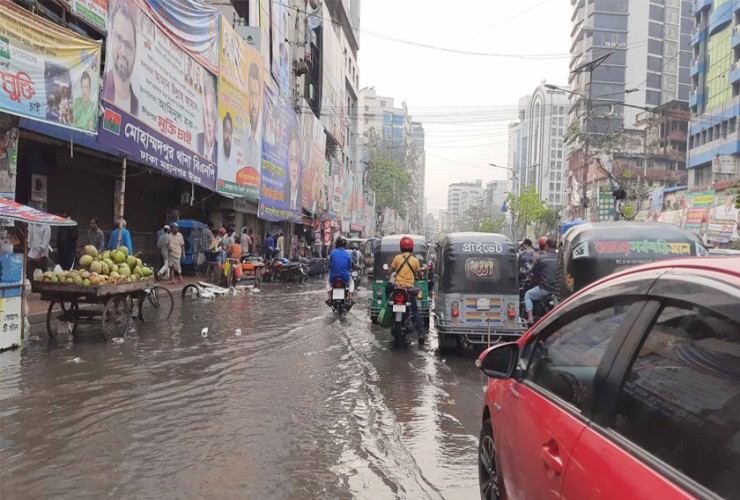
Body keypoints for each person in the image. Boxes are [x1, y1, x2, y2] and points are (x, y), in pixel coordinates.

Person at [385, 236, 425, 343]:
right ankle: (421, 334)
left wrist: (388, 274)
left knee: (389, 299)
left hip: (398, 288)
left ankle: (390, 320)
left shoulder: (397, 258)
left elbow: (391, 270)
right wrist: (420, 276)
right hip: (409, 290)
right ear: (411, 248)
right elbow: (420, 274)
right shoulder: (415, 260)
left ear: (401, 247)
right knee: (415, 311)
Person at [103, 1, 139, 115]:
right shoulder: (101, 87)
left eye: (128, 45)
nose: (123, 52)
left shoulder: (137, 104)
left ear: (135, 52)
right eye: (118, 38)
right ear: (111, 37)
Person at [524, 238, 558, 325]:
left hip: (545, 289)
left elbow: (534, 271)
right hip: (558, 290)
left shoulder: (542, 258)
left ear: (546, 246)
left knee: (528, 294)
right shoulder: (560, 258)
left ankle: (530, 317)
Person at [326, 236, 354, 305]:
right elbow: (349, 267)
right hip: (345, 277)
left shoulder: (332, 253)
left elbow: (331, 264)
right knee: (352, 283)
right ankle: (350, 298)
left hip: (333, 277)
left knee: (327, 282)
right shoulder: (348, 254)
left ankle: (329, 297)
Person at [198, 78, 217, 162]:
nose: (208, 123)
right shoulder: (195, 140)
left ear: (216, 124)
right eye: (206, 114)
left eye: (212, 116)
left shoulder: (220, 152)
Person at [287, 131, 301, 210]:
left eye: (296, 160)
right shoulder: (281, 192)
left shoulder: (303, 196)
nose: (294, 169)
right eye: (291, 159)